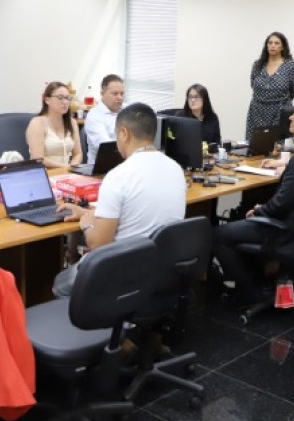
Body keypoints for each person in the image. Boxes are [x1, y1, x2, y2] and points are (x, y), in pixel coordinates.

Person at [214, 96, 294, 303]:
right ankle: (260, 279)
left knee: (217, 235)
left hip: (287, 230)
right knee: (242, 216)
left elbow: (281, 204)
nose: (291, 117)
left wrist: (260, 210)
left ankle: (251, 293)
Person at [52, 103, 185, 297]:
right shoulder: (175, 168)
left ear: (124, 133)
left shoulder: (118, 176)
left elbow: (98, 244)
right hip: (162, 269)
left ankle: (87, 317)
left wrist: (87, 223)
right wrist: (88, 212)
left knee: (60, 284)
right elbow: (136, 210)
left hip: (122, 272)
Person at [246, 32, 294, 142]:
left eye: (276, 43)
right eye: (270, 43)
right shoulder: (257, 65)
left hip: (280, 112)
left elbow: (293, 92)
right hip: (257, 111)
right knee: (256, 145)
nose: (273, 45)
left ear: (283, 47)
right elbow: (253, 85)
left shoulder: (290, 66)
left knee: (278, 147)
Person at [26, 82, 83, 168]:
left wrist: (73, 166)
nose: (65, 102)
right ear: (47, 100)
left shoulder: (72, 122)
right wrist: (65, 167)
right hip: (45, 172)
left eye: (67, 98)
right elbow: (38, 159)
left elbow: (78, 154)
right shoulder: (37, 123)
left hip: (67, 172)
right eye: (60, 98)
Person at [83, 74, 126, 166]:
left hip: (124, 164)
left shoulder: (127, 110)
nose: (120, 97)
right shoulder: (94, 116)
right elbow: (108, 148)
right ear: (102, 94)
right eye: (115, 94)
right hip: (102, 167)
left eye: (122, 94)